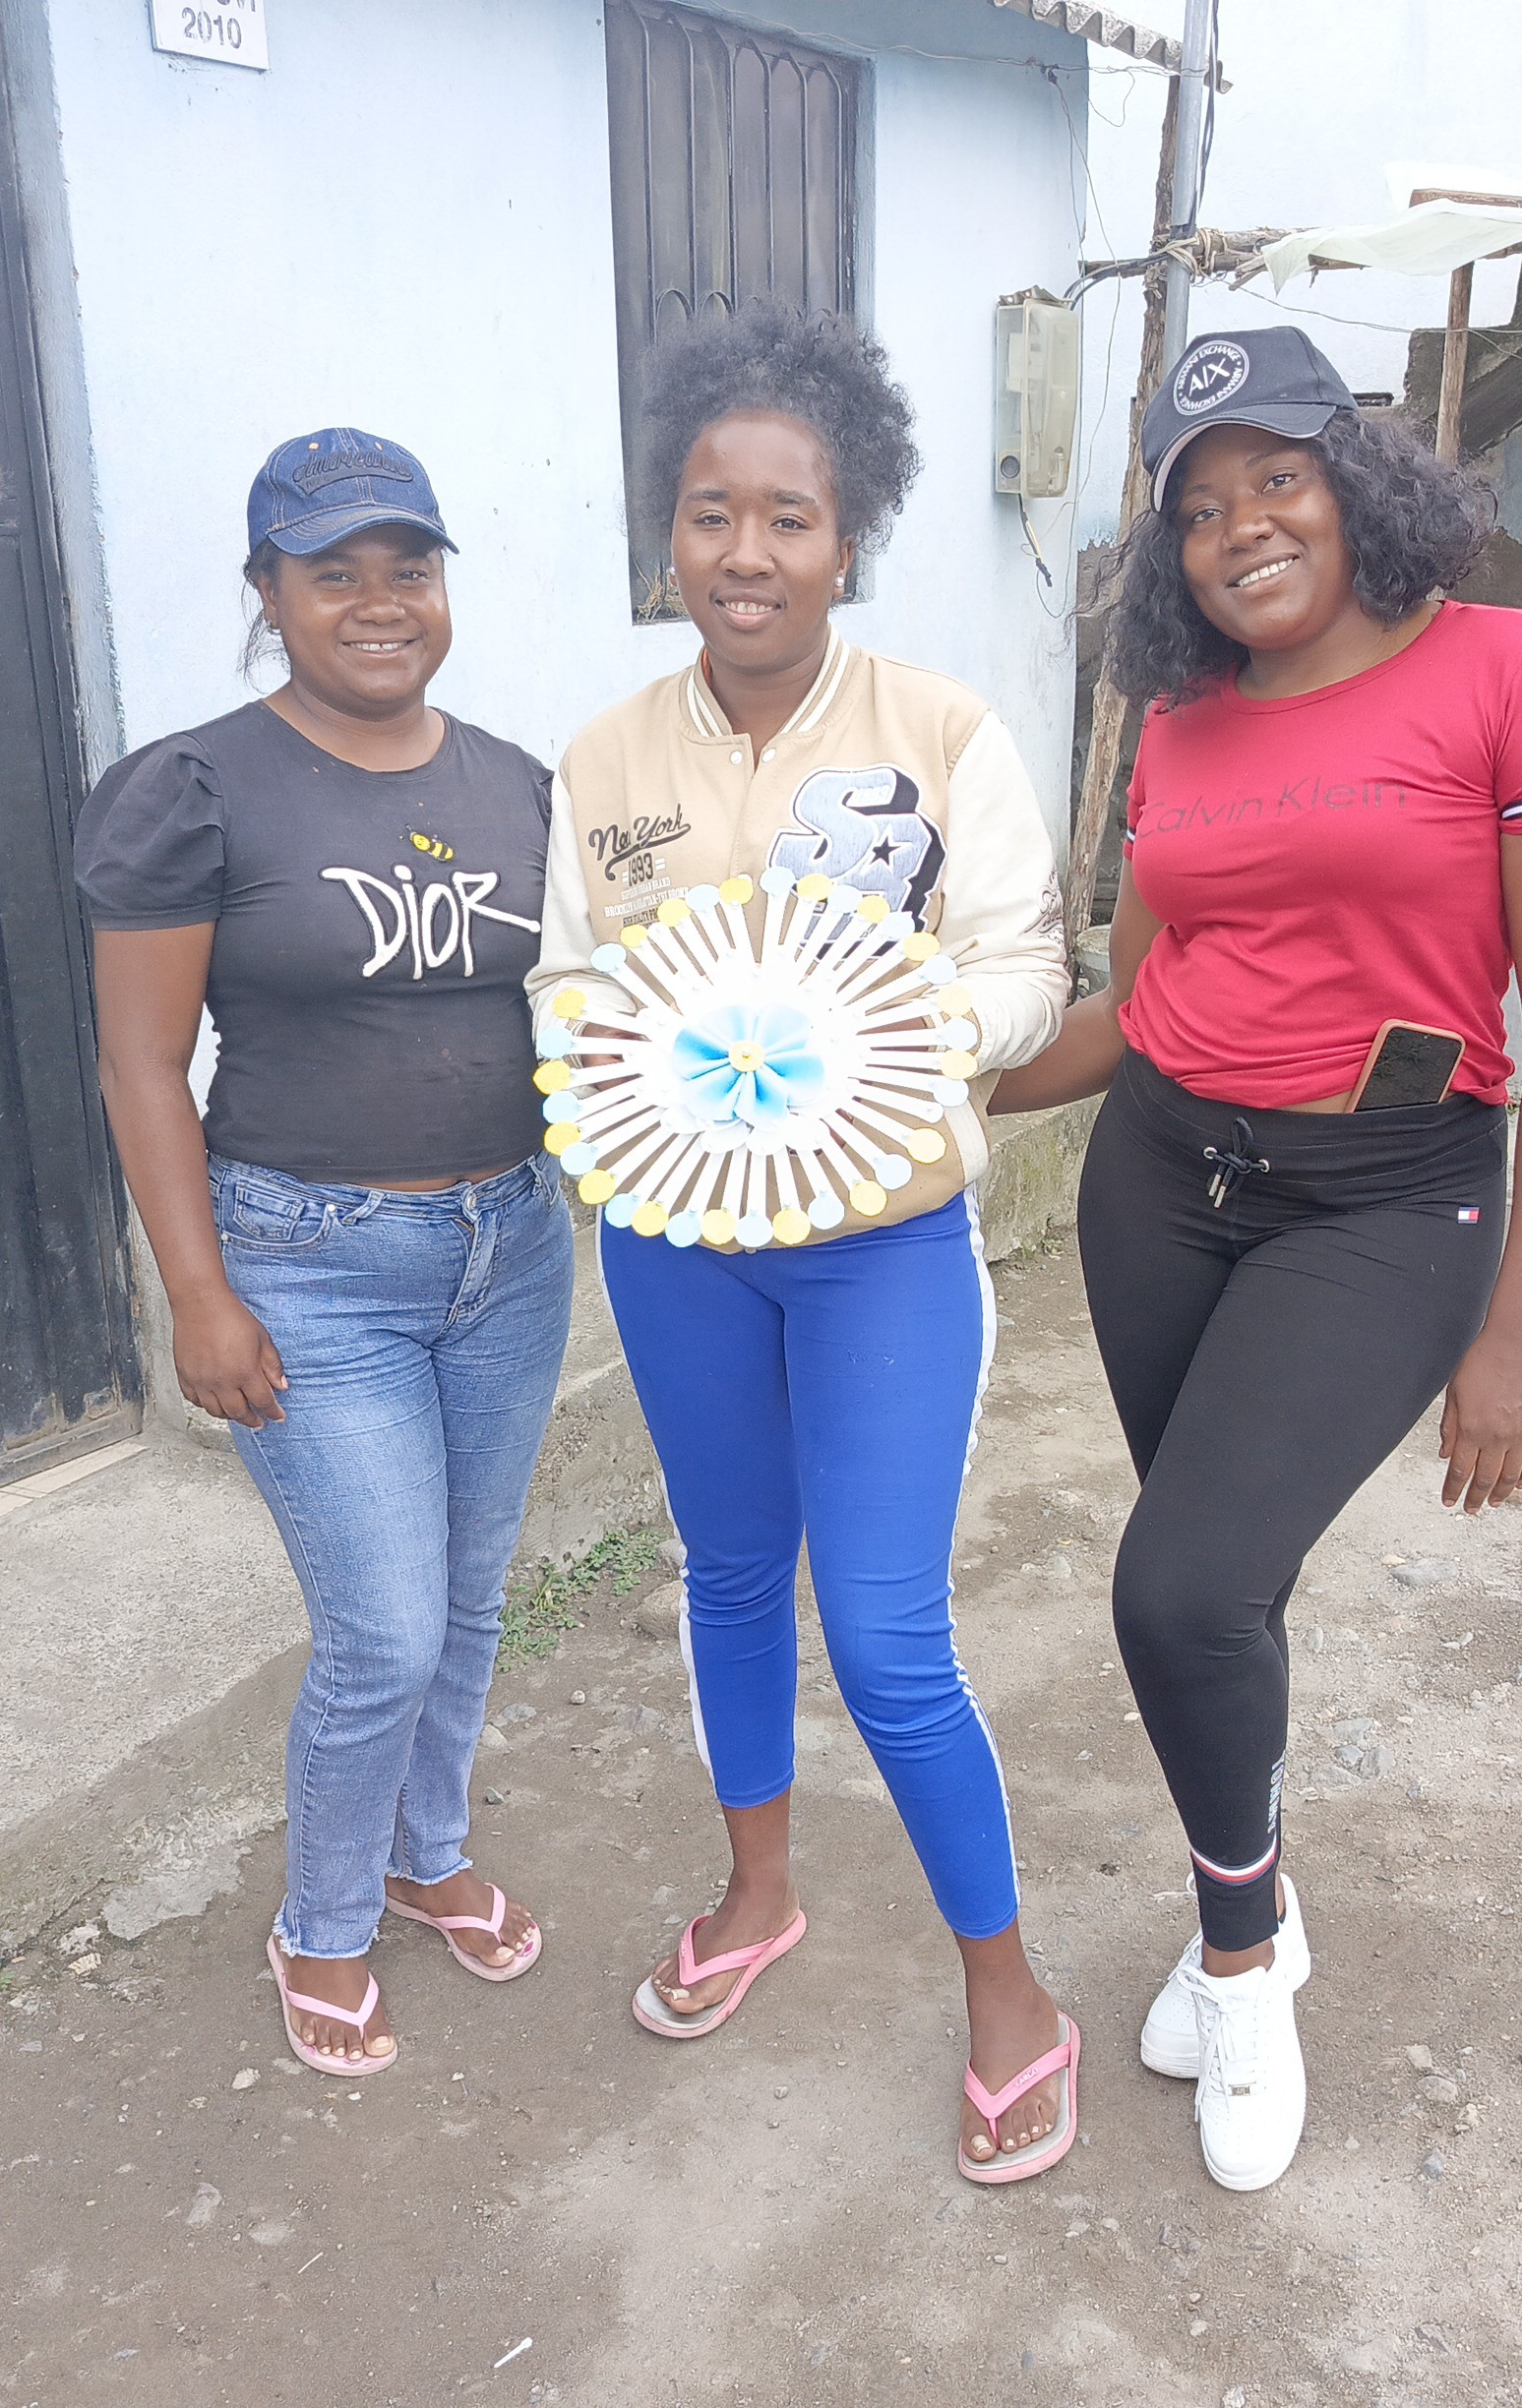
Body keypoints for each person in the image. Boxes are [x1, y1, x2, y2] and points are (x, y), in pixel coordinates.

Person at [991, 327, 1522, 2191]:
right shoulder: (1184, 725)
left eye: (1277, 478)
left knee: (1176, 1590)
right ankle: (1257, 1900)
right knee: (1227, 1591)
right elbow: (1137, 1001)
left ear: (1359, 480)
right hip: (1159, 1181)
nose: (1242, 528)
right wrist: (891, 1091)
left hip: (1387, 1200)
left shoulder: (1517, 676)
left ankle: (1240, 1971)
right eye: (1198, 508)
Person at [525, 302, 1079, 2183]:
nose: (746, 552)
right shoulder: (603, 761)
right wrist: (610, 1058)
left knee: (892, 1631)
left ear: (850, 539)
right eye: (711, 514)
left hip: (881, 1253)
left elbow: (1024, 964)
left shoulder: (943, 734)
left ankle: (1012, 1994)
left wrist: (891, 1032)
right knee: (730, 1575)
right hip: (679, 1247)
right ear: (668, 534)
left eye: (788, 517)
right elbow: (565, 987)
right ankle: (758, 1893)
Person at [79, 430, 572, 2077]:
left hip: (512, 1244)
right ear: (267, 593)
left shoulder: (517, 784)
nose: (377, 602)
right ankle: (327, 1919)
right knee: (386, 1629)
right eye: (332, 571)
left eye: (406, 568)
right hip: (311, 1260)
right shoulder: (197, 790)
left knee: (470, 1598)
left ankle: (429, 1856)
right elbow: (143, 1062)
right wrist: (198, 1293)